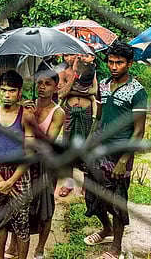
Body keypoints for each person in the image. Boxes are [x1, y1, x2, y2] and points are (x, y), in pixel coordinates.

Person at [83, 42, 148, 259]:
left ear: (129, 63)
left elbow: (139, 131)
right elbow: (99, 117)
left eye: (119, 62)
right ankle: (106, 228)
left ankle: (116, 247)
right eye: (111, 62)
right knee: (93, 193)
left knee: (117, 200)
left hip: (121, 153)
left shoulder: (138, 92)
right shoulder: (102, 85)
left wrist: (124, 159)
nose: (113, 66)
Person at [0, 70, 36, 259]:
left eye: (12, 91)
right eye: (3, 90)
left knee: (22, 224)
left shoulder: (26, 116)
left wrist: (11, 181)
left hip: (19, 175)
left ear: (19, 92)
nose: (7, 95)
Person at [14, 65, 65, 259]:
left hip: (45, 163)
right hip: (26, 161)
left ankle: (40, 248)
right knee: (20, 206)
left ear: (55, 87)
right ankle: (15, 246)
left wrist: (33, 120)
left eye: (48, 84)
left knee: (45, 206)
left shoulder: (58, 112)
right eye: (40, 83)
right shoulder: (28, 105)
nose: (43, 87)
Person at [56, 52, 98, 197]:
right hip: (69, 112)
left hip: (86, 112)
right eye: (66, 55)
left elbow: (94, 90)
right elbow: (61, 93)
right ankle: (69, 184)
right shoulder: (63, 72)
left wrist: (75, 92)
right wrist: (73, 78)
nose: (69, 58)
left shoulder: (89, 71)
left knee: (86, 147)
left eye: (72, 55)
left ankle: (87, 183)